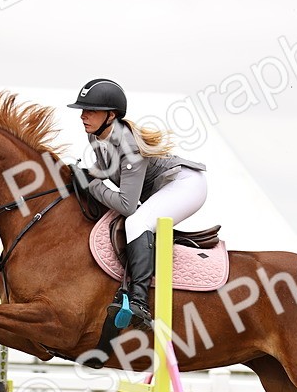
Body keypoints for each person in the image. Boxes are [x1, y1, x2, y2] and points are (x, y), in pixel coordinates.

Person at [67, 78, 207, 330]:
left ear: (111, 115)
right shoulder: (95, 136)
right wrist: (85, 174)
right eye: (83, 109)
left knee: (137, 221)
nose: (83, 115)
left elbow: (127, 205)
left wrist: (91, 184)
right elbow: (106, 169)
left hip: (186, 185)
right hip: (166, 185)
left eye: (91, 110)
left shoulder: (129, 146)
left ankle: (139, 302)